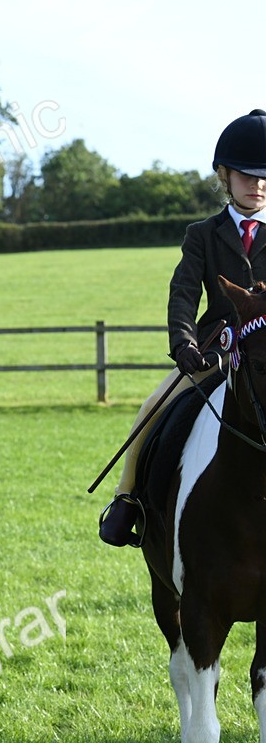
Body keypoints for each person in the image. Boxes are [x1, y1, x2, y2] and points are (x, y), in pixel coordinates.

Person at [100, 109, 266, 546]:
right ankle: (127, 500)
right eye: (247, 176)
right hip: (214, 351)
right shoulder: (202, 235)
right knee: (152, 407)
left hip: (264, 356)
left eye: (265, 177)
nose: (258, 185)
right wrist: (184, 343)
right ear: (224, 176)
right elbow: (183, 295)